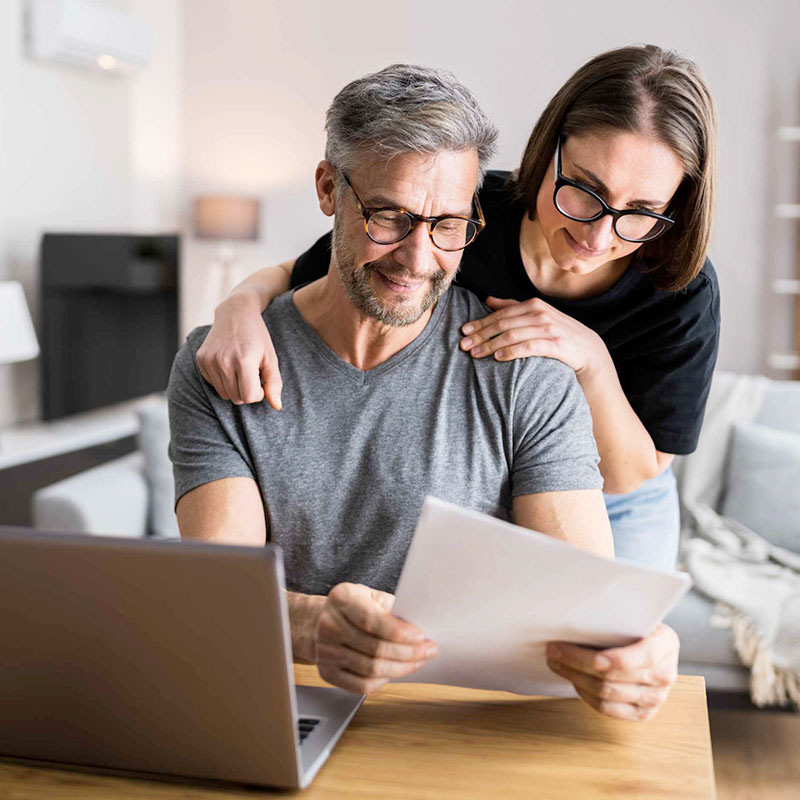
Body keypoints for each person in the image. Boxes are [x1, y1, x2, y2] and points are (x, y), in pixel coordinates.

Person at [170, 64, 679, 722]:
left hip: (458, 733)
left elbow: (586, 608)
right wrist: (311, 626)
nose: (417, 258)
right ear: (328, 189)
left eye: (448, 225)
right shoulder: (225, 364)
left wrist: (645, 649)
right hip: (280, 713)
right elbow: (218, 593)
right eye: (389, 216)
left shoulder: (527, 371)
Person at [197, 45, 720, 573]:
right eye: (585, 190)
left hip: (620, 499)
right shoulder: (458, 210)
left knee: (610, 642)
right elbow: (305, 272)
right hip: (508, 470)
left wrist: (590, 358)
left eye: (642, 212)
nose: (598, 234)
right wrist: (237, 308)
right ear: (548, 150)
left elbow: (632, 474)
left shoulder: (680, 287)